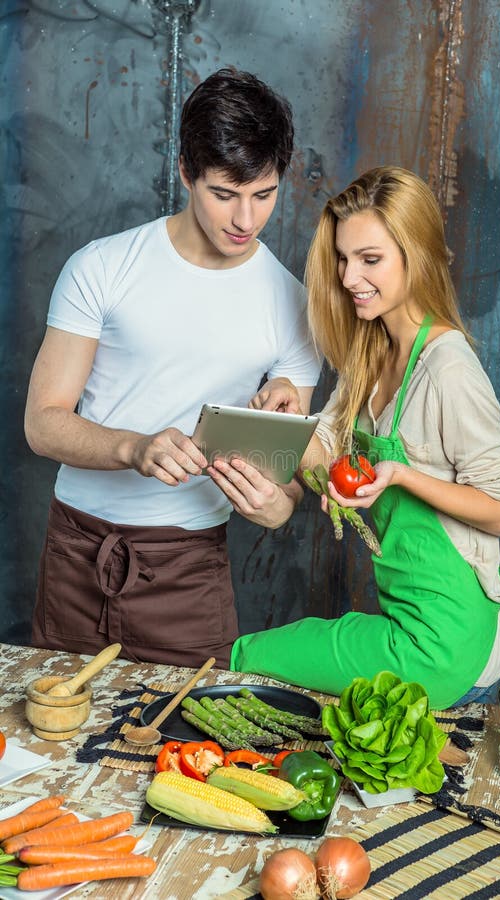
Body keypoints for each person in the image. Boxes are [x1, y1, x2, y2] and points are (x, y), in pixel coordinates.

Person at [24, 67, 321, 669]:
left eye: (263, 194)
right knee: (54, 742)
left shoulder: (295, 308)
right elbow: (43, 423)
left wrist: (275, 506)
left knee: (185, 753)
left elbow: (287, 485)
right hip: (77, 548)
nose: (245, 219)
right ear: (186, 170)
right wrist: (135, 448)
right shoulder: (101, 267)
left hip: (191, 569)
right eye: (224, 193)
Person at [231, 166, 500, 709]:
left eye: (370, 260)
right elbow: (323, 446)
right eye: (344, 259)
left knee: (250, 655)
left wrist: (402, 475)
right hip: (408, 620)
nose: (349, 277)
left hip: (447, 641)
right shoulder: (371, 351)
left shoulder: (447, 368)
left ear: (414, 257)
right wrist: (282, 418)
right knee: (266, 659)